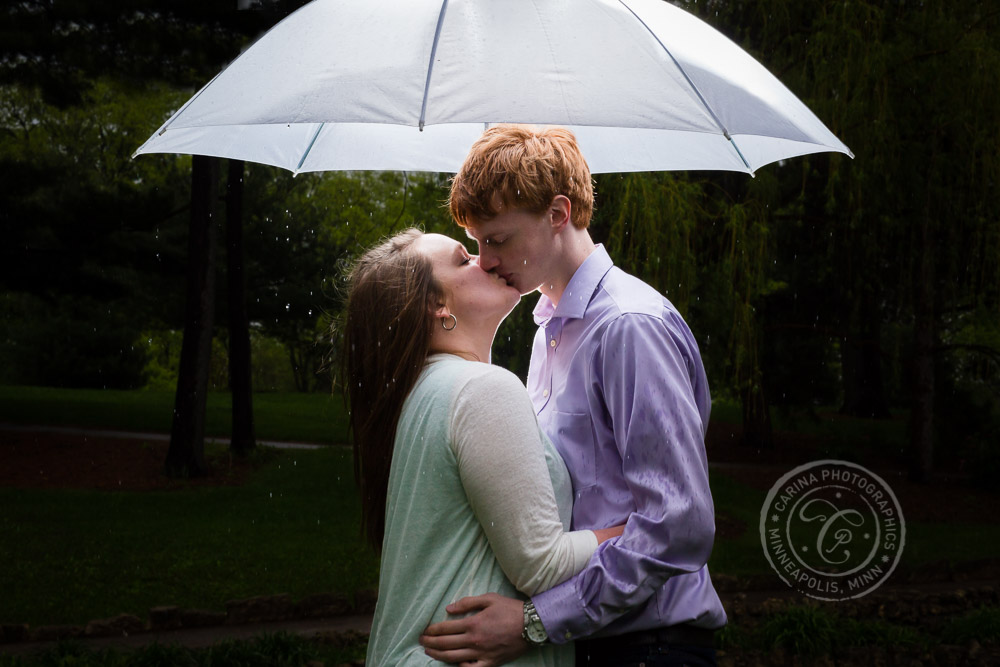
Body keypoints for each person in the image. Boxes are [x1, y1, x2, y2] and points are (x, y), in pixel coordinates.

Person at [420, 126, 727, 667]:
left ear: (558, 214)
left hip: (651, 647)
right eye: (476, 243)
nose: (485, 261)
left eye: (498, 239)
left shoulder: (629, 328)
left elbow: (679, 525)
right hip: (593, 642)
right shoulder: (550, 335)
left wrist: (539, 620)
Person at [341, 228, 624, 666]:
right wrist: (641, 531)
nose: (485, 260)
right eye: (463, 259)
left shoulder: (425, 391)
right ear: (437, 305)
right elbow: (541, 565)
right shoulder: (480, 389)